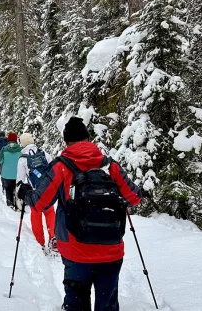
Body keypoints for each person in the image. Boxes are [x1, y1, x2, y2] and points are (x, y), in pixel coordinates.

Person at [17, 117, 141, 311]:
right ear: (88, 138)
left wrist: (24, 192)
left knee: (76, 303)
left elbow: (40, 203)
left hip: (75, 251)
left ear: (66, 142)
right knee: (107, 304)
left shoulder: (61, 167)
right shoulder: (110, 166)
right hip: (110, 249)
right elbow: (134, 198)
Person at [15, 133, 57, 255]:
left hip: (34, 192)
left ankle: (40, 243)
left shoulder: (22, 159)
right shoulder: (45, 154)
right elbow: (53, 171)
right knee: (50, 212)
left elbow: (19, 180)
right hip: (48, 190)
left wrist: (21, 193)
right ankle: (54, 238)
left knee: (36, 214)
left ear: (22, 144)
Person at [0, 132, 21, 209]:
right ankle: (18, 205)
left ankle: (10, 204)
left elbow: (0, 160)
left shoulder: (4, 149)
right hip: (17, 174)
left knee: (8, 189)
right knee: (17, 188)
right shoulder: (20, 149)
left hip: (6, 174)